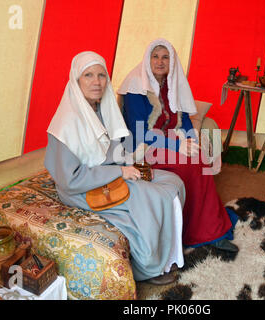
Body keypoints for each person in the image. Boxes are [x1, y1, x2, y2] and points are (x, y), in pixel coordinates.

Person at [44, 51, 186, 285]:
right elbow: (70, 179)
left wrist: (131, 160)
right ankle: (149, 268)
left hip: (110, 171)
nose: (97, 82)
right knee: (149, 196)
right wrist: (119, 172)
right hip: (81, 188)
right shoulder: (66, 123)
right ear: (76, 79)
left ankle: (171, 253)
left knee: (173, 182)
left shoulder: (103, 108)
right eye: (88, 75)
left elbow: (119, 143)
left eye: (101, 75)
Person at [117, 38, 239, 252]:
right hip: (142, 147)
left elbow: (183, 120)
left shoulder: (172, 84)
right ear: (147, 59)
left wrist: (192, 140)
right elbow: (139, 132)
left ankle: (210, 228)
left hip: (169, 141)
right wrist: (175, 148)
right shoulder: (135, 85)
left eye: (165, 57)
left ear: (172, 61)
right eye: (155, 56)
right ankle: (193, 232)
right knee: (189, 164)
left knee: (199, 157)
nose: (160, 62)